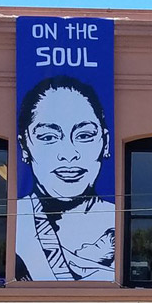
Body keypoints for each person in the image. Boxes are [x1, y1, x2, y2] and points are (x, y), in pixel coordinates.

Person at [15, 76, 116, 281]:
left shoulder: (126, 220)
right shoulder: (14, 219)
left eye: (84, 135)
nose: (69, 154)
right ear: (24, 146)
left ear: (105, 143)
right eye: (48, 137)